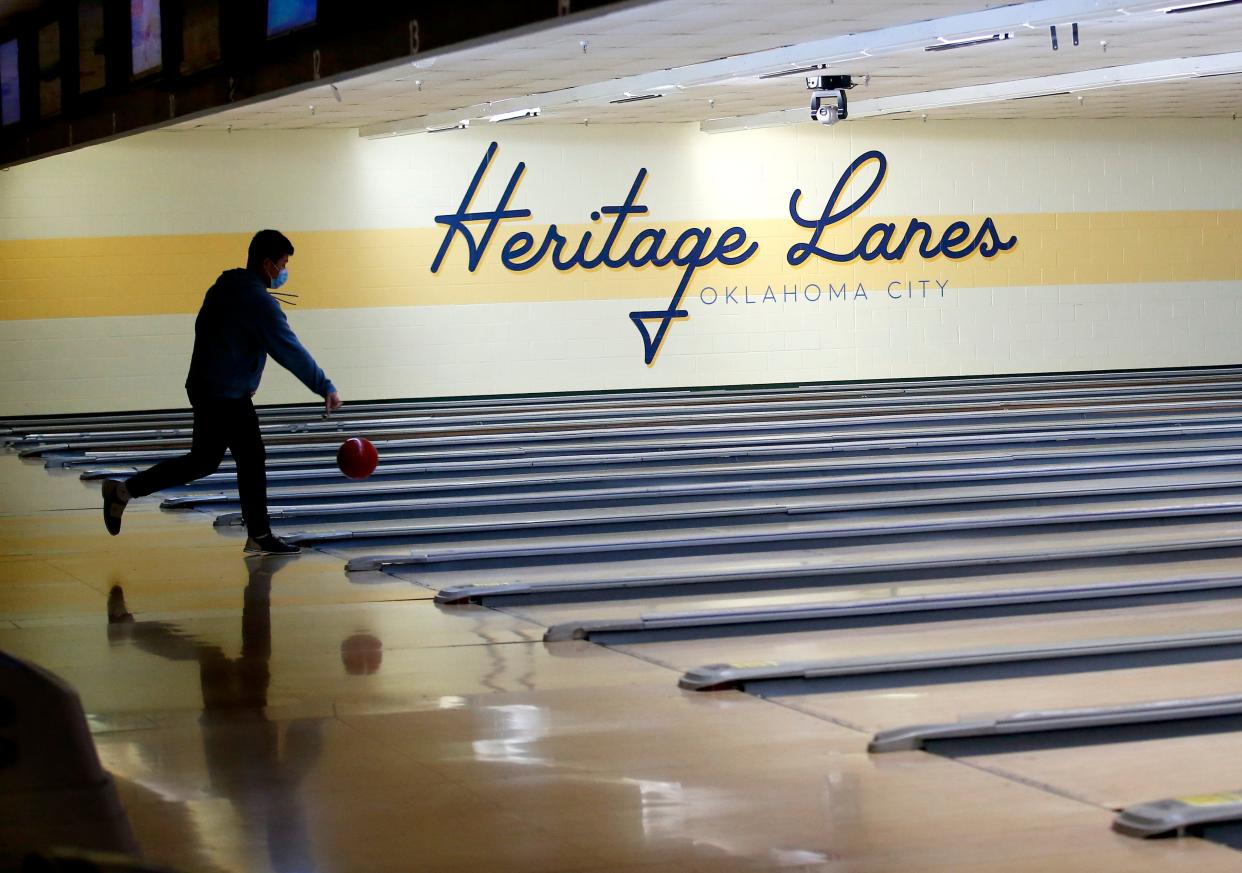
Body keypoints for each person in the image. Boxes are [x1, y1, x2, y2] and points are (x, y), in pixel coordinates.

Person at [102, 230, 342, 555]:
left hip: (205, 387)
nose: (285, 271)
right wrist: (324, 386)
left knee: (202, 461)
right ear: (268, 263)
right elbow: (288, 349)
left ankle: (123, 491)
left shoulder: (225, 287)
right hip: (226, 393)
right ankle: (259, 533)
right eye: (283, 264)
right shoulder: (257, 302)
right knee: (252, 457)